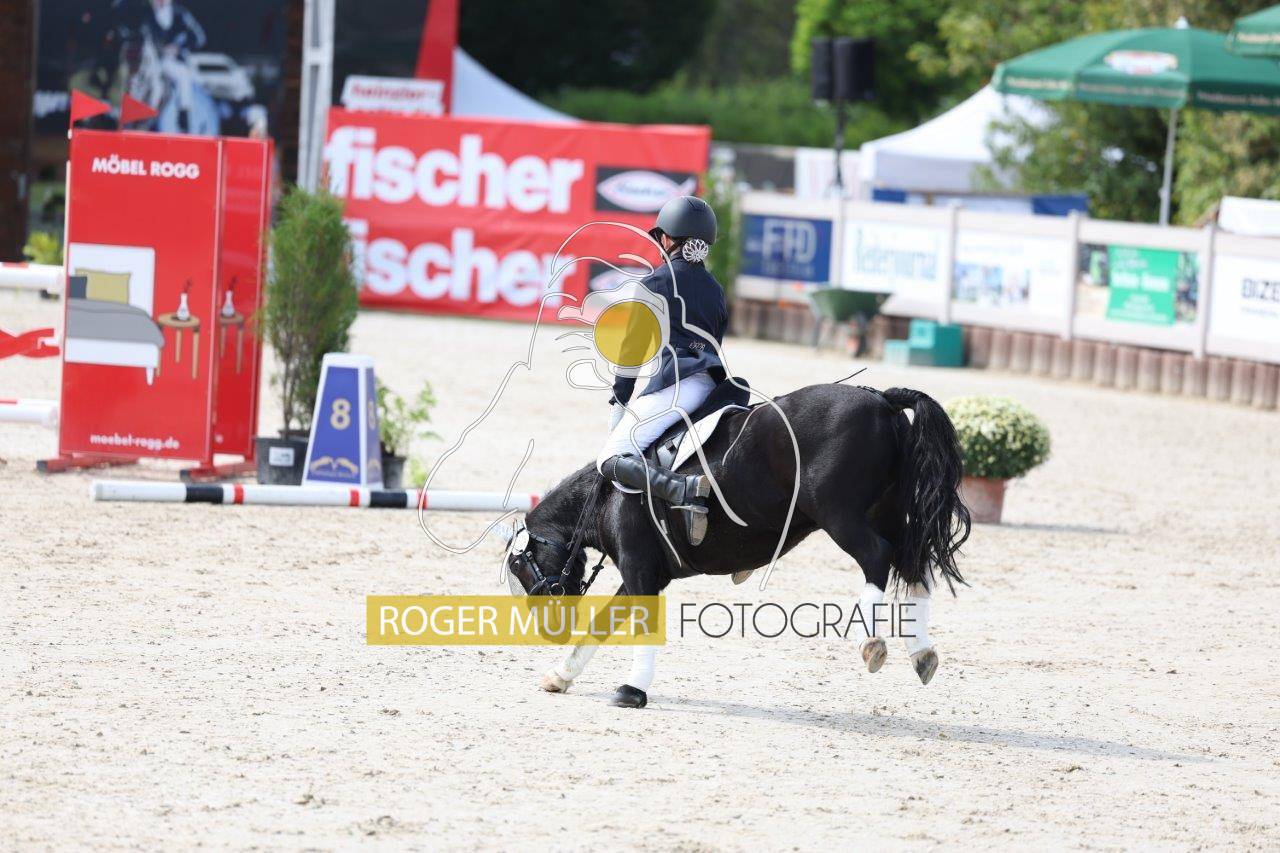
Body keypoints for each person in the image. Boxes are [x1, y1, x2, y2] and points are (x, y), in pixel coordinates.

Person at [596, 195, 727, 546]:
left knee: (610, 457)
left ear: (667, 239)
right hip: (713, 387)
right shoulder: (716, 290)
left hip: (677, 386)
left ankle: (683, 489)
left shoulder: (655, 282)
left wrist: (620, 399)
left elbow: (632, 348)